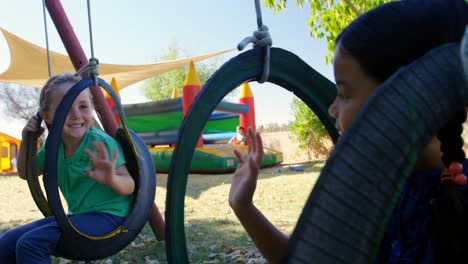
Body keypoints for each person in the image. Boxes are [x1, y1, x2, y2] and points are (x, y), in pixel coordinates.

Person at [229, 0, 468, 263]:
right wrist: (244, 207)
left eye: (343, 93)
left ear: (405, 96)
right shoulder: (378, 191)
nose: (332, 109)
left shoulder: (442, 201)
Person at [0, 73, 135, 263]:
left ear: (92, 109)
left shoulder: (100, 144)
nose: (77, 115)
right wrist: (27, 139)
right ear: (47, 116)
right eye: (65, 108)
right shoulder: (53, 145)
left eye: (83, 106)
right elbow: (25, 173)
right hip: (78, 218)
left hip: (109, 218)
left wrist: (112, 178)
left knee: (30, 243)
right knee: (6, 242)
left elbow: (129, 185)